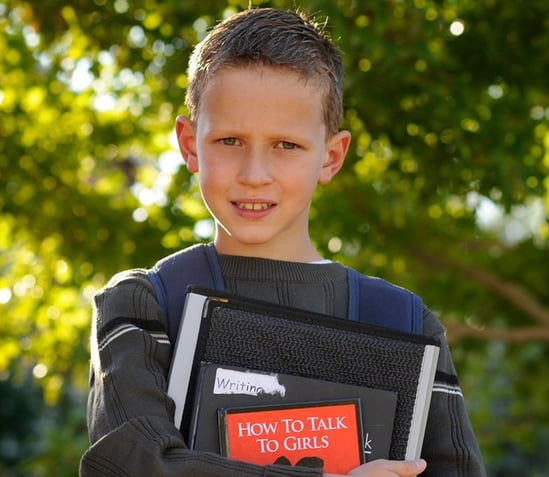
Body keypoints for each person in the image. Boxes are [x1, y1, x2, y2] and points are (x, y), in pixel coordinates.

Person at [80, 7, 487, 477]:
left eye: (286, 145)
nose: (255, 175)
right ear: (190, 145)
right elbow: (136, 467)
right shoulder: (143, 306)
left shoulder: (405, 324)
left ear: (331, 157)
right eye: (230, 141)